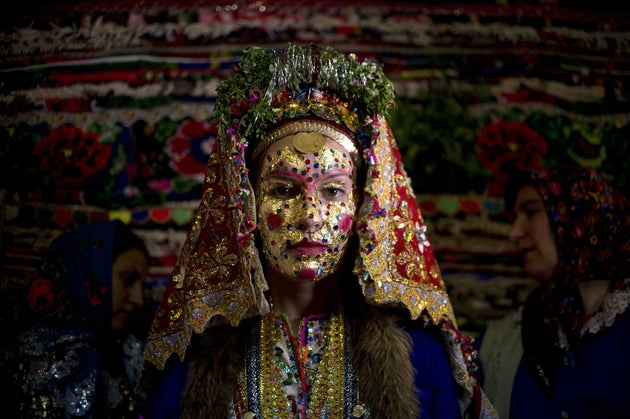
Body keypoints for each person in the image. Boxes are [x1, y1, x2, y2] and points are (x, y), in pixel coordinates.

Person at [142, 43, 496, 419]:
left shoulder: (419, 355)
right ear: (246, 204)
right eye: (282, 190)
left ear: (363, 205)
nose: (310, 216)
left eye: (332, 191)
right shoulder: (194, 358)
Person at [477, 165, 630, 419]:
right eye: (513, 218)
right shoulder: (504, 340)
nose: (514, 232)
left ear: (581, 214)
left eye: (531, 211)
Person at [14, 220, 151, 418]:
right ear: (88, 271)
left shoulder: (128, 354)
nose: (139, 299)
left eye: (143, 287)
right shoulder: (25, 355)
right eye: (128, 279)